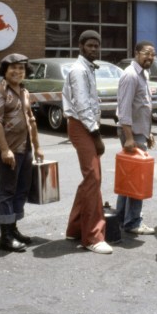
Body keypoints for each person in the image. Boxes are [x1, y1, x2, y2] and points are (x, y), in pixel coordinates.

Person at [0, 53, 43, 253]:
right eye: (13, 68)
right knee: (7, 191)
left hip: (24, 149)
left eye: (21, 68)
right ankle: (5, 237)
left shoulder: (24, 91)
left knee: (21, 190)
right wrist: (4, 150)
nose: (18, 71)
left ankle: (13, 229)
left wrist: (37, 147)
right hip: (9, 151)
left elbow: (31, 120)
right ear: (5, 70)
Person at [63, 30, 111, 254]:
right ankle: (92, 237)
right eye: (90, 45)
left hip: (84, 124)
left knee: (91, 178)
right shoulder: (79, 70)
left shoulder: (87, 68)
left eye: (96, 46)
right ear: (80, 46)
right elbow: (82, 106)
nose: (93, 49)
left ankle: (74, 228)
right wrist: (96, 135)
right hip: (82, 125)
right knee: (93, 177)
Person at [115, 41, 156, 236]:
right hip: (131, 133)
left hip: (139, 132)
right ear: (137, 53)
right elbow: (124, 110)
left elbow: (142, 106)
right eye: (147, 53)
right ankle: (133, 221)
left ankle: (122, 218)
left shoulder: (144, 74)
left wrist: (148, 133)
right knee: (137, 178)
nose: (150, 57)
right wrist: (130, 137)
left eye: (153, 54)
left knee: (129, 178)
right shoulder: (130, 76)